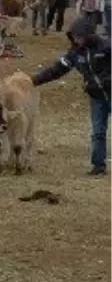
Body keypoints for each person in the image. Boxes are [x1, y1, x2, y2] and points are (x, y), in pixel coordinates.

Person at [32, 16, 112, 176]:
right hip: (97, 98)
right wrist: (32, 81)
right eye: (74, 37)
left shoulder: (107, 47)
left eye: (80, 36)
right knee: (98, 132)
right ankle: (98, 167)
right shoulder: (75, 54)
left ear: (89, 34)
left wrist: (107, 79)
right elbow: (57, 70)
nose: (77, 40)